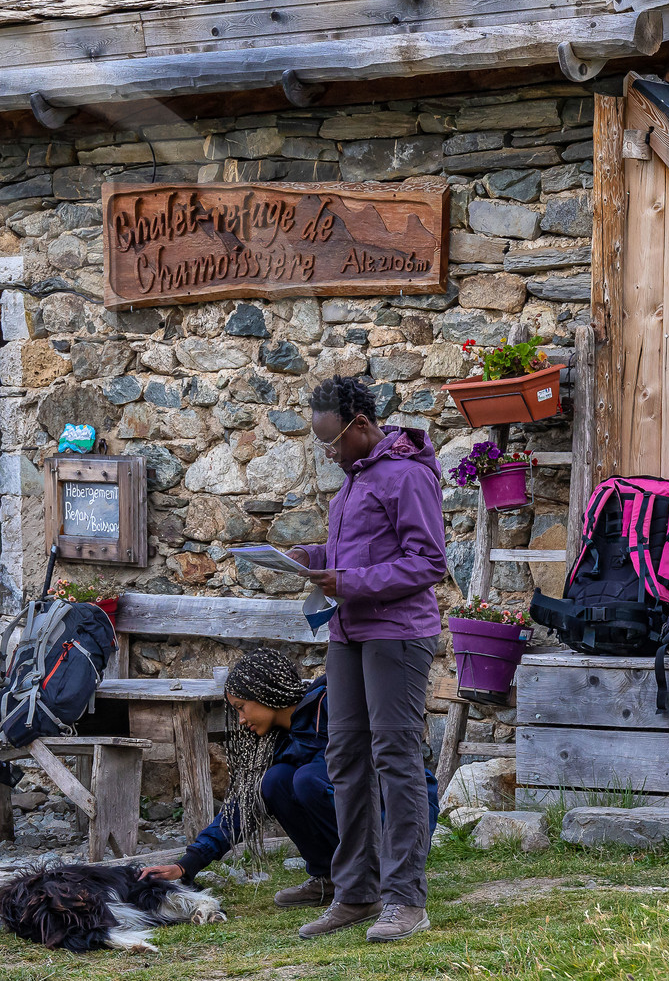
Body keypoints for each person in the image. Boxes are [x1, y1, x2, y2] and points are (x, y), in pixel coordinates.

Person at [287, 375, 448, 943]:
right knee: (345, 758)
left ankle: (406, 900)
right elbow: (353, 553)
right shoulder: (355, 481)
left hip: (396, 635)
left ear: (359, 426)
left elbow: (428, 562)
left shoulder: (407, 475)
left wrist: (347, 580)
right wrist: (307, 557)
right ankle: (355, 892)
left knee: (395, 759)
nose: (327, 454)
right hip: (347, 633)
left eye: (332, 442)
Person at [140, 650, 439, 908]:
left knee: (308, 779)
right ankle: (330, 879)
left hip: (404, 818)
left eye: (242, 708)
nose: (241, 720)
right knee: (274, 781)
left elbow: (396, 775)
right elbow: (244, 806)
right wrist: (187, 863)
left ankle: (375, 877)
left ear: (265, 693)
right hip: (367, 821)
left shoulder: (336, 708)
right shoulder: (279, 740)